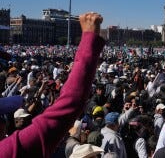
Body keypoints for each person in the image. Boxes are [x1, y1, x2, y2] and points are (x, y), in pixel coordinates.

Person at [0, 12, 105, 157]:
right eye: (2, 118)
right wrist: (89, 38)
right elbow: (69, 105)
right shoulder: (6, 151)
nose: (6, 123)